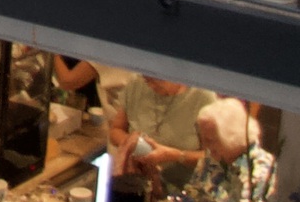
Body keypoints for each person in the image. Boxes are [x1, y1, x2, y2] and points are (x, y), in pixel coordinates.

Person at [54, 60, 217, 191]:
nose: (149, 82)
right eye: (147, 77)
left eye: (156, 79)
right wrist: (134, 143)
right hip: (136, 187)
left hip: (182, 197)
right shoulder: (138, 82)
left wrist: (174, 155)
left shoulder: (203, 97)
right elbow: (116, 130)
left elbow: (213, 158)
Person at [191, 99, 278, 202]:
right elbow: (193, 199)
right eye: (202, 139)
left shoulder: (260, 171)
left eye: (210, 140)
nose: (205, 146)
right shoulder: (211, 159)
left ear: (232, 136)